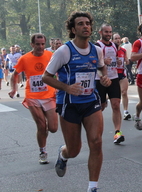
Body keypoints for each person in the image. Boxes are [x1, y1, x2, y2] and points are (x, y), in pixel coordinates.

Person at [42, 11, 111, 192]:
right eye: (80, 24)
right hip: (69, 103)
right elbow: (46, 77)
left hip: (90, 101)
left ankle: (92, 187)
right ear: (73, 29)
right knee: (74, 150)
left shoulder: (97, 50)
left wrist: (104, 78)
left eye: (88, 23)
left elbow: (102, 66)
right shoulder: (64, 51)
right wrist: (67, 87)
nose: (85, 26)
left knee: (96, 142)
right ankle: (63, 154)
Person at [9, 33, 58, 164]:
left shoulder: (50, 56)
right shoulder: (25, 58)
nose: (41, 47)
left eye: (43, 44)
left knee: (53, 128)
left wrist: (59, 86)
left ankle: (44, 134)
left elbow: (57, 72)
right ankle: (43, 151)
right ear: (32, 44)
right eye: (37, 44)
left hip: (49, 95)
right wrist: (14, 89)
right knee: (41, 126)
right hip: (32, 96)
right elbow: (14, 74)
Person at [95, 24, 124, 144]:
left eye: (110, 32)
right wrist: (102, 62)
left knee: (116, 105)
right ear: (100, 32)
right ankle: (96, 131)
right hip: (100, 80)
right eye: (106, 32)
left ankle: (117, 132)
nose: (108, 34)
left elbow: (117, 58)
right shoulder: (96, 46)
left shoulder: (115, 45)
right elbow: (91, 62)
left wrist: (117, 61)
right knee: (100, 107)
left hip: (113, 78)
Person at [113, 33, 131, 121]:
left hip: (122, 74)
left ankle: (125, 111)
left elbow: (126, 60)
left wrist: (127, 61)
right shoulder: (110, 50)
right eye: (115, 38)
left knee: (124, 92)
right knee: (114, 96)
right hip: (112, 74)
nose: (117, 40)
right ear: (112, 40)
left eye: (118, 38)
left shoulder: (123, 50)